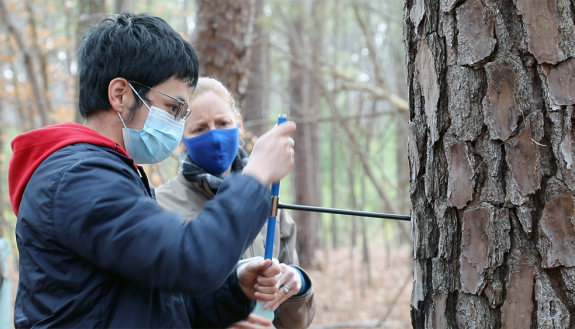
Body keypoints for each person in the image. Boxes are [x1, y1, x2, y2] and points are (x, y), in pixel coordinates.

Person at [8, 13, 297, 329]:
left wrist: (234, 288)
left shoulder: (111, 172)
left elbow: (154, 303)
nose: (177, 123)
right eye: (174, 107)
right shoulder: (79, 178)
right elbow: (191, 261)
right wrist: (255, 178)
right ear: (120, 94)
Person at [155, 77, 315, 329]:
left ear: (238, 124)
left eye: (222, 123)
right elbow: (154, 311)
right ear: (181, 139)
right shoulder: (158, 205)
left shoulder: (268, 202)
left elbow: (296, 323)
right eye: (199, 129)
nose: (215, 136)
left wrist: (297, 285)